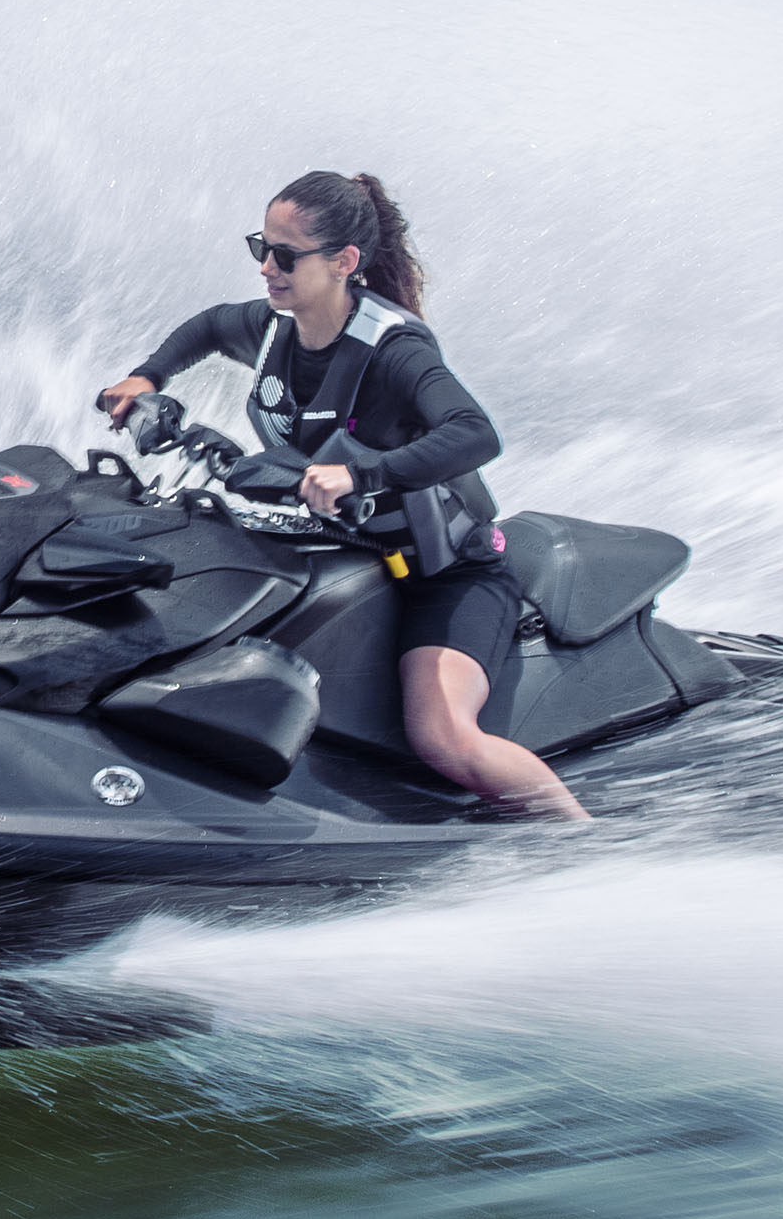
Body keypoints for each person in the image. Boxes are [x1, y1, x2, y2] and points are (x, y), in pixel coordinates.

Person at [96, 170, 591, 822]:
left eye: (284, 256)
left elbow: (475, 434)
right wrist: (146, 375)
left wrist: (364, 474)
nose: (266, 269)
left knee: (444, 738)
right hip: (344, 556)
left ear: (343, 262)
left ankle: (581, 839)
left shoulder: (395, 350)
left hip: (444, 578)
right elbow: (209, 328)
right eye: (260, 247)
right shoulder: (278, 328)